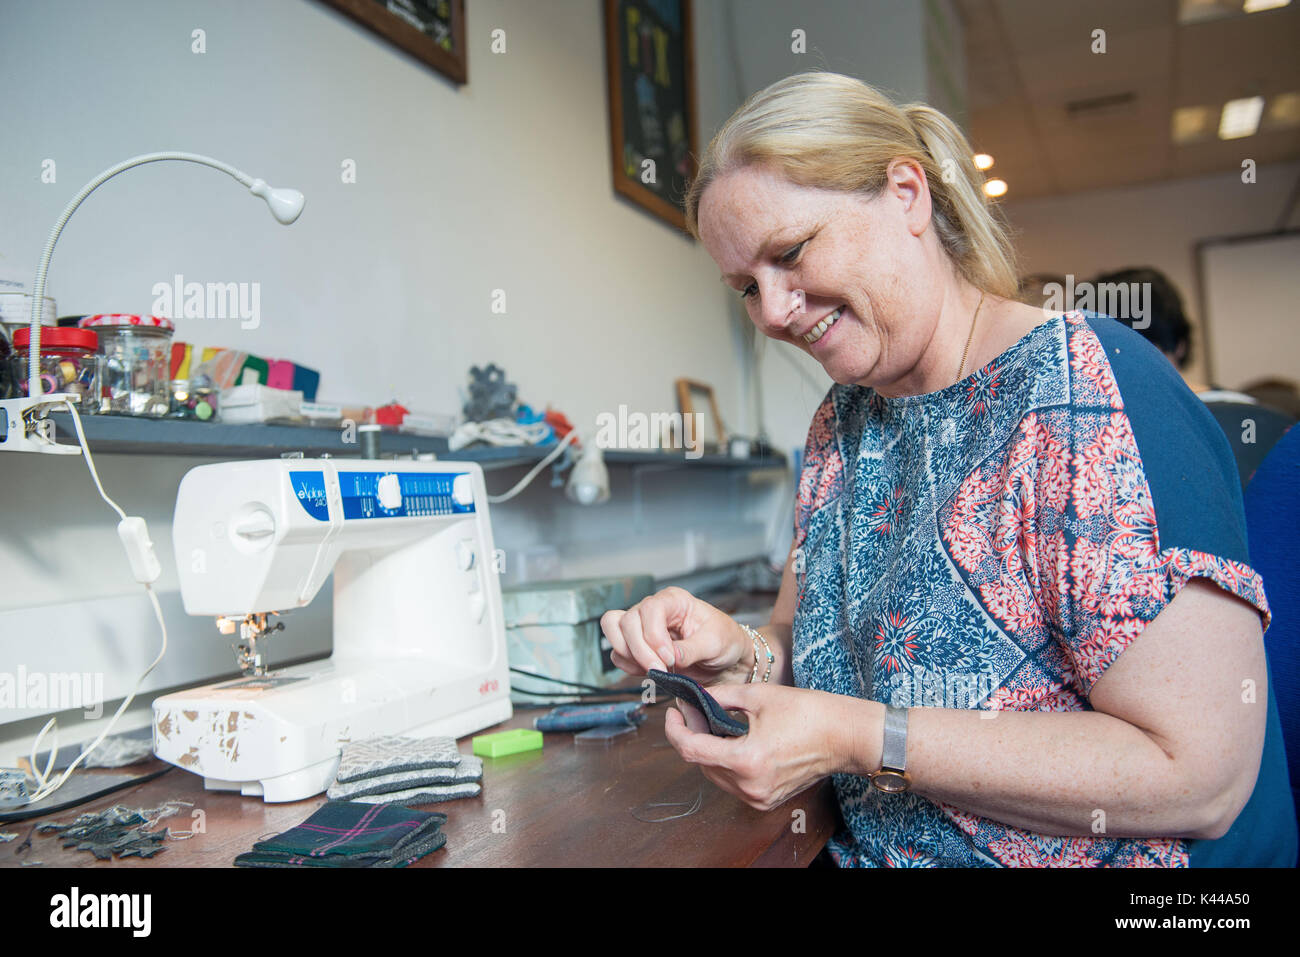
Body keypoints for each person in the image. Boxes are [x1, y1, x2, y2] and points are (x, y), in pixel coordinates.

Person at [601, 71, 1296, 867]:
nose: (772, 311)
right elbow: (805, 640)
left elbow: (1199, 775)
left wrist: (858, 736)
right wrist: (736, 650)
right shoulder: (842, 423)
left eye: (789, 254)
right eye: (744, 288)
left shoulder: (1089, 394)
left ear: (907, 194)